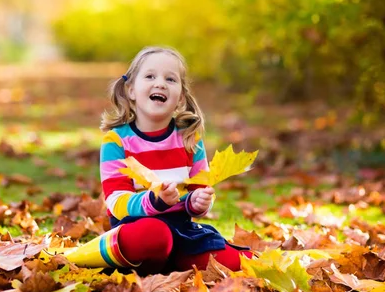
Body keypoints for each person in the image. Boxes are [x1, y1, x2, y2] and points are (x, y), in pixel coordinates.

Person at [63, 46, 253, 275]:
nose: (160, 83)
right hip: (137, 229)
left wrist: (199, 201)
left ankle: (171, 264)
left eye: (170, 79)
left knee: (239, 262)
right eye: (150, 76)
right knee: (155, 235)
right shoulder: (117, 141)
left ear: (181, 97)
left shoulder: (189, 139)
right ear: (131, 90)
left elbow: (198, 191)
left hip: (183, 232)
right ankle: (148, 263)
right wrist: (155, 202)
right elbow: (116, 201)